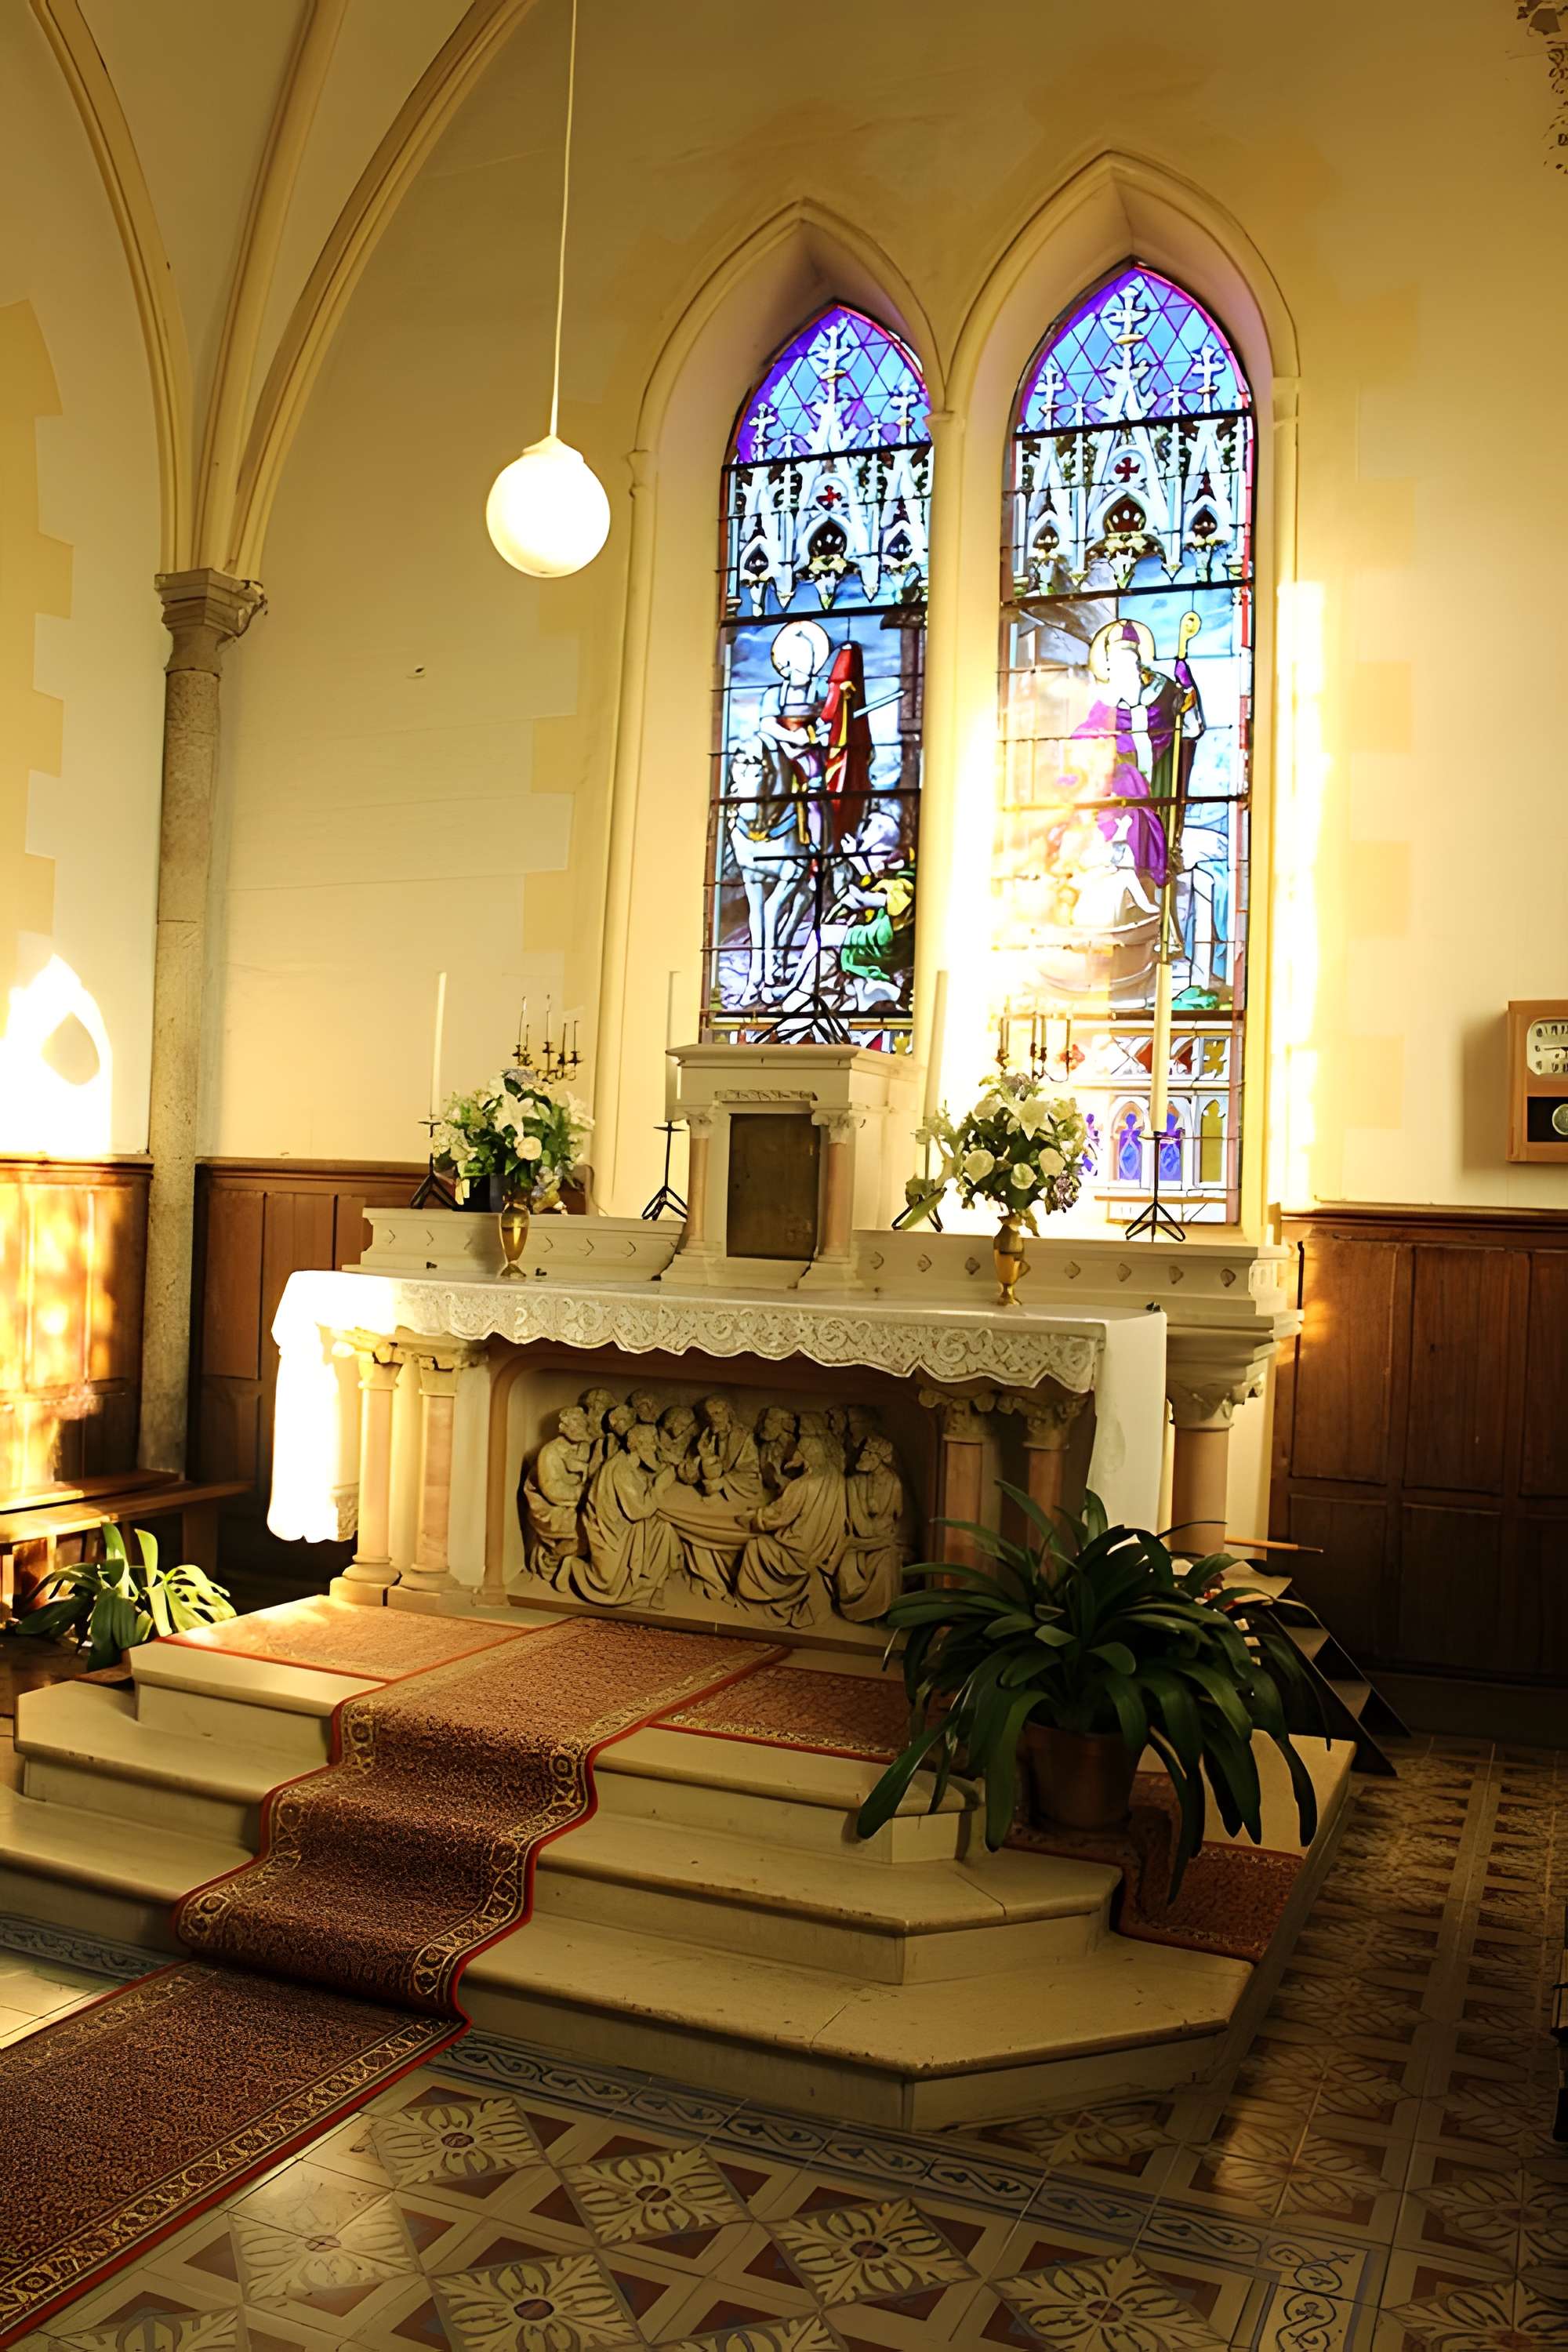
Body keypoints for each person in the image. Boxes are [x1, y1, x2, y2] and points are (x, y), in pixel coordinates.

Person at [520, 1406, 593, 1586]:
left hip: (573, 1504)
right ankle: (552, 1558)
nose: (579, 1428)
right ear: (563, 1427)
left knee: (599, 1527)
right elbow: (552, 1490)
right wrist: (584, 1493)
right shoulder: (550, 1452)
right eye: (574, 1424)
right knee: (587, 1529)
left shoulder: (585, 1448)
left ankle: (570, 1561)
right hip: (548, 1508)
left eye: (582, 1423)